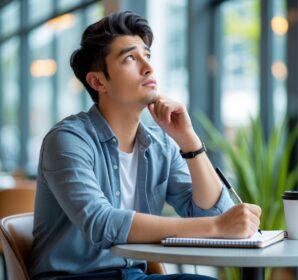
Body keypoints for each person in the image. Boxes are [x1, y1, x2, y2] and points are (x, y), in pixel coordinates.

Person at [29, 10, 261, 280]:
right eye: (130, 58)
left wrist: (189, 140)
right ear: (98, 81)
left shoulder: (160, 144)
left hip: (134, 275)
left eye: (147, 56)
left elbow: (211, 212)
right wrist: (216, 226)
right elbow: (101, 224)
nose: (148, 67)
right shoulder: (67, 140)